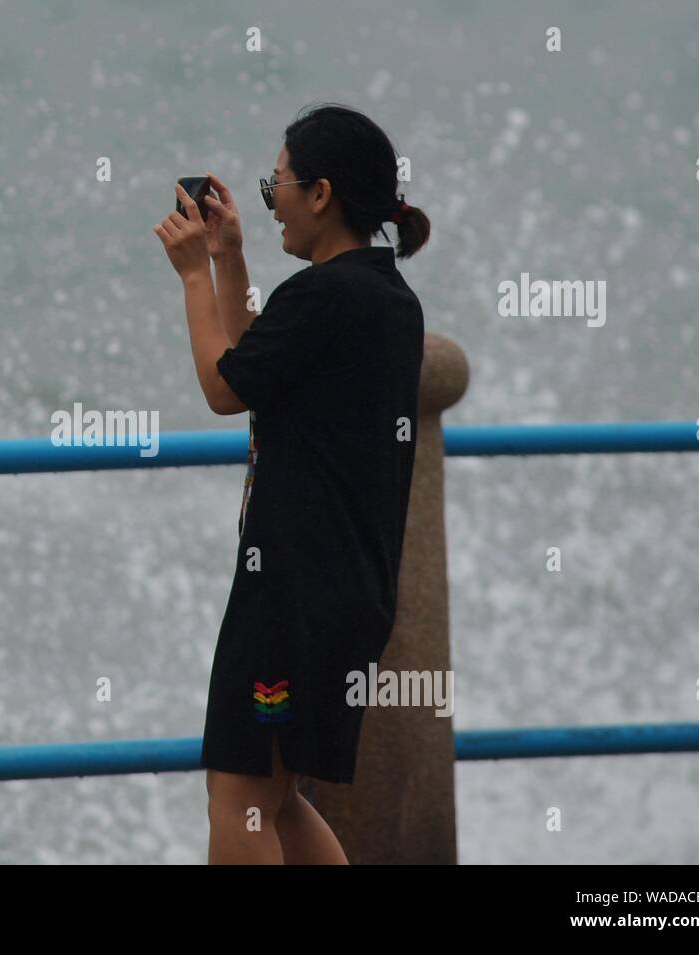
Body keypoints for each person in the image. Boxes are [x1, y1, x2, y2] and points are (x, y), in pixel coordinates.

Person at [153, 102, 432, 864]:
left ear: (320, 193)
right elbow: (262, 372)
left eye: (275, 183)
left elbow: (223, 386)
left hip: (290, 596)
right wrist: (229, 256)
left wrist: (190, 277)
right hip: (349, 597)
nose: (269, 197)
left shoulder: (321, 298)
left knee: (239, 798)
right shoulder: (387, 299)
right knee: (276, 798)